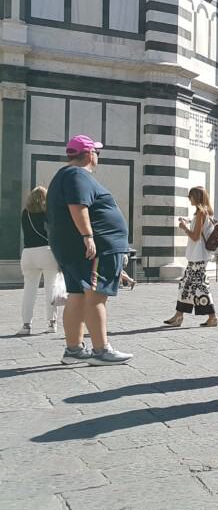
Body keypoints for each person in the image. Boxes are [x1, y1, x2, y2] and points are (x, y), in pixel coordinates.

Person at [47, 135, 133, 366]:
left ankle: (74, 349)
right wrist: (88, 236)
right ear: (89, 154)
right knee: (96, 296)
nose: (97, 156)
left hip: (74, 249)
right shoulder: (78, 175)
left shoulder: (65, 175)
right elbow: (78, 205)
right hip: (94, 249)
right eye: (97, 152)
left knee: (77, 295)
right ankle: (101, 350)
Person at [164, 187, 218, 327]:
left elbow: (195, 237)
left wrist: (184, 228)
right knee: (185, 285)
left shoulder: (201, 213)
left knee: (200, 287)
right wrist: (188, 221)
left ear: (197, 197)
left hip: (198, 257)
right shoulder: (204, 213)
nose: (189, 199)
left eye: (191, 197)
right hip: (197, 256)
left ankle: (212, 317)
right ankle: (178, 316)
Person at [18, 186, 61, 335]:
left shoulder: (25, 213)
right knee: (51, 288)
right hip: (46, 252)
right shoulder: (49, 213)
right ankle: (51, 324)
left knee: (29, 290)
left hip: (28, 254)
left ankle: (26, 325)